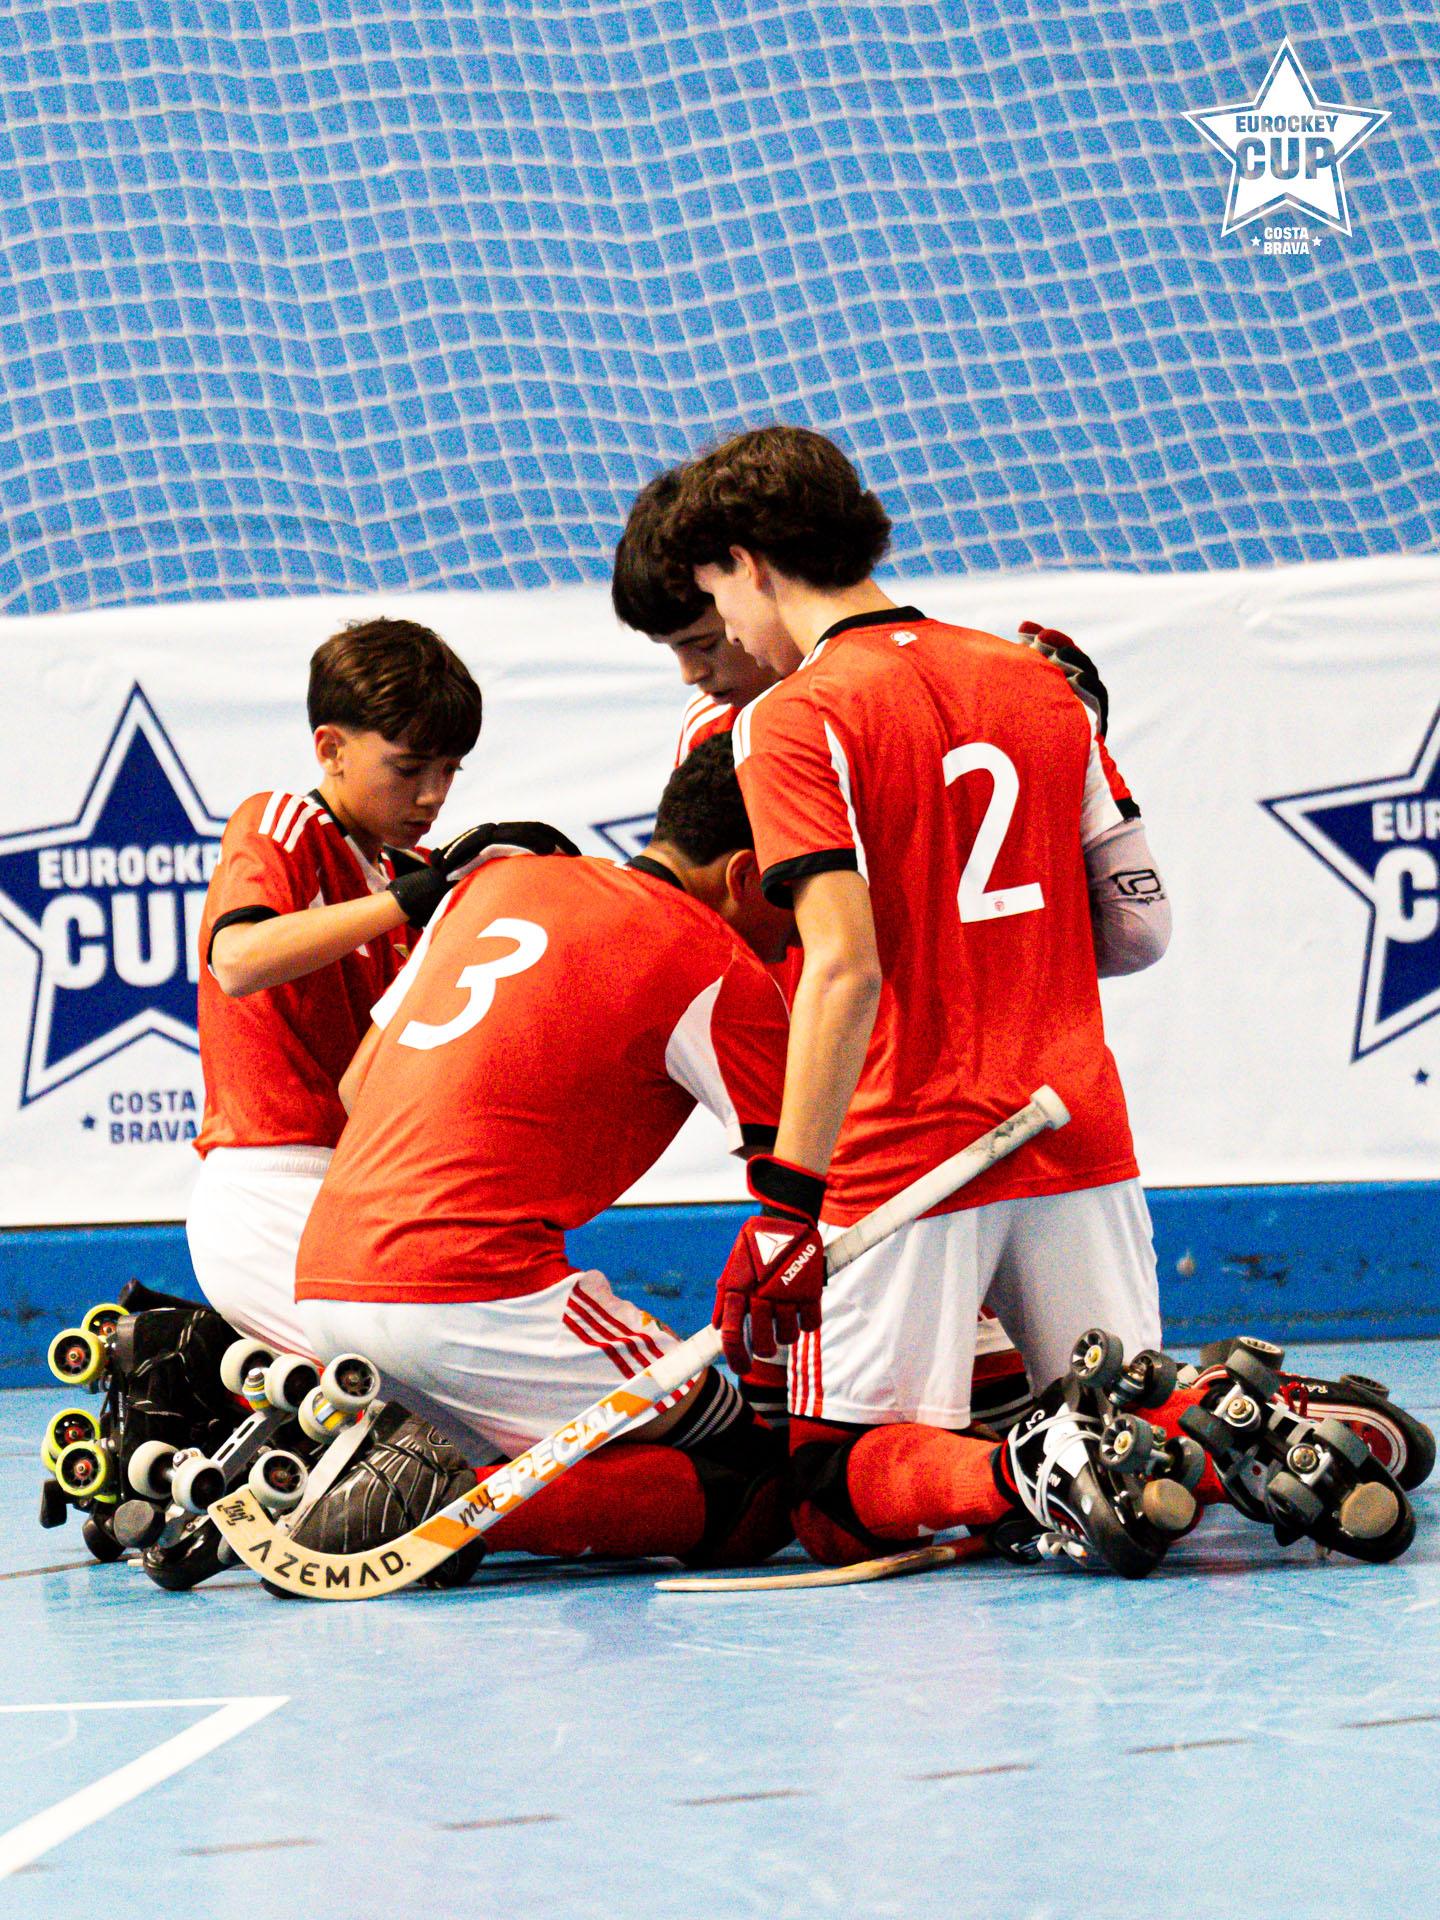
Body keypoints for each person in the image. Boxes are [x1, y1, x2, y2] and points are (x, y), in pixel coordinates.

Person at [662, 426, 1179, 1571]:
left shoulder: (789, 717)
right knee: (1129, 1434)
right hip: (1078, 1127)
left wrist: (785, 1202)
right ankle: (1259, 1426)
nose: (727, 631)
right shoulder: (1039, 683)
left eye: (716, 595)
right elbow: (1140, 930)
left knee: (831, 1496)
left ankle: (1020, 1473)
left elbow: (844, 966)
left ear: (748, 561)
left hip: (905, 1147)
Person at [288, 738, 798, 1579]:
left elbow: (356, 1084)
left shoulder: (497, 884)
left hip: (325, 1283)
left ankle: (413, 1481)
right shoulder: (716, 961)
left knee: (615, 1448)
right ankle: (456, 1511)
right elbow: (812, 1180)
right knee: (756, 1484)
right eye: (805, 887)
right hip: (473, 1292)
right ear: (747, 875)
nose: (802, 925)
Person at [188, 616, 486, 1357]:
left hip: (360, 1185)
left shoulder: (401, 874)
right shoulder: (282, 823)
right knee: (437, 1380)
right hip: (272, 1187)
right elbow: (238, 960)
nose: (433, 795)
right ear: (331, 749)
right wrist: (411, 901)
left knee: (446, 1392)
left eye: (450, 770)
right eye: (409, 768)